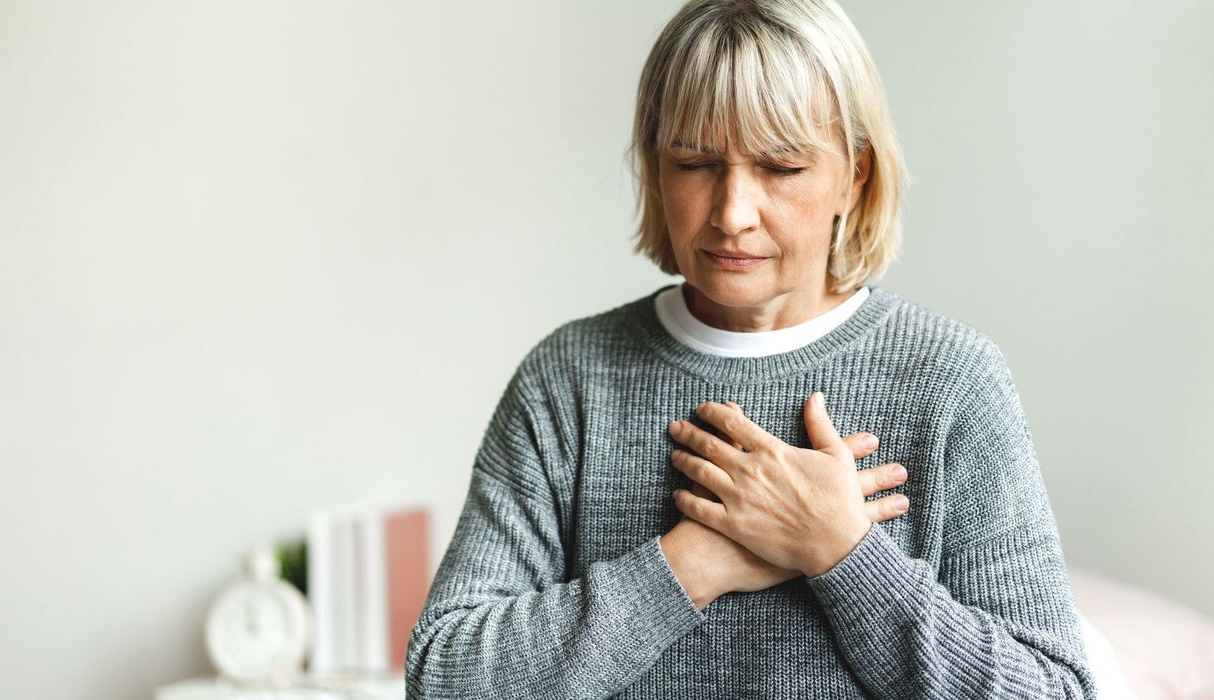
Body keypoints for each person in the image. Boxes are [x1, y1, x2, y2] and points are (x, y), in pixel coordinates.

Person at [405, 0, 1097, 697]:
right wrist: (693, 565)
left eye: (780, 168)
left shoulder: (951, 380)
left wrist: (840, 551)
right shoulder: (568, 379)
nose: (732, 213)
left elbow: (1052, 690)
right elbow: (443, 678)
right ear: (654, 168)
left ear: (853, 177)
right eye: (696, 163)